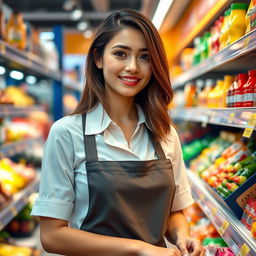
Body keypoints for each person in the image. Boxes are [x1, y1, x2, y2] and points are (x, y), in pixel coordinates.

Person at [31, 9, 204, 256]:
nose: (132, 67)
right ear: (99, 58)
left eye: (145, 57)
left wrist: (182, 237)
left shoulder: (165, 134)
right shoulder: (67, 134)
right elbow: (52, 235)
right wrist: (137, 249)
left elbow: (174, 212)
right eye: (120, 54)